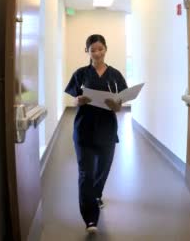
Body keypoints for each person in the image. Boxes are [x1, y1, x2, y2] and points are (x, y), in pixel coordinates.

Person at [64, 34, 128, 234]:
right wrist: (79, 101)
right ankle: (90, 218)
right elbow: (73, 100)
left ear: (106, 49)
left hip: (107, 129)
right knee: (86, 173)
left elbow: (119, 107)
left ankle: (97, 193)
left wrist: (114, 105)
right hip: (84, 130)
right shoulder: (81, 74)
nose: (97, 53)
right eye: (93, 50)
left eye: (100, 49)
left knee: (103, 167)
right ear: (87, 52)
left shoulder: (115, 75)